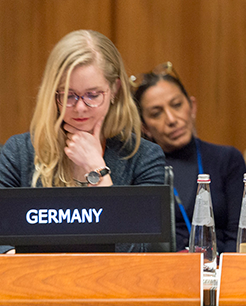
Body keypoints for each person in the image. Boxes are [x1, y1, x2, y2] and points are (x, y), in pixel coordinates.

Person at [0, 30, 166, 252]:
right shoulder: (18, 153)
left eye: (93, 95)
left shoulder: (143, 157)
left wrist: (97, 170)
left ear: (114, 89)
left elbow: (140, 251)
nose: (80, 107)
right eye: (68, 95)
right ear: (53, 94)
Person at [133, 62, 246, 253]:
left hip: (222, 271)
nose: (171, 119)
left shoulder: (227, 159)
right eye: (156, 113)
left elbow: (239, 236)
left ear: (192, 106)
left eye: (177, 105)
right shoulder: (140, 168)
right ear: (144, 127)